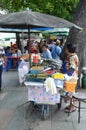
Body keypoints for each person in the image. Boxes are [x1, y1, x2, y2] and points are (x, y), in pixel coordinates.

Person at [63, 43, 79, 112]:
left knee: (71, 91)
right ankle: (71, 105)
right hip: (70, 75)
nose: (65, 49)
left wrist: (66, 75)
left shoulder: (73, 57)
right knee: (70, 91)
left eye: (66, 48)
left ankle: (73, 107)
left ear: (69, 49)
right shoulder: (71, 55)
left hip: (71, 76)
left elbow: (72, 68)